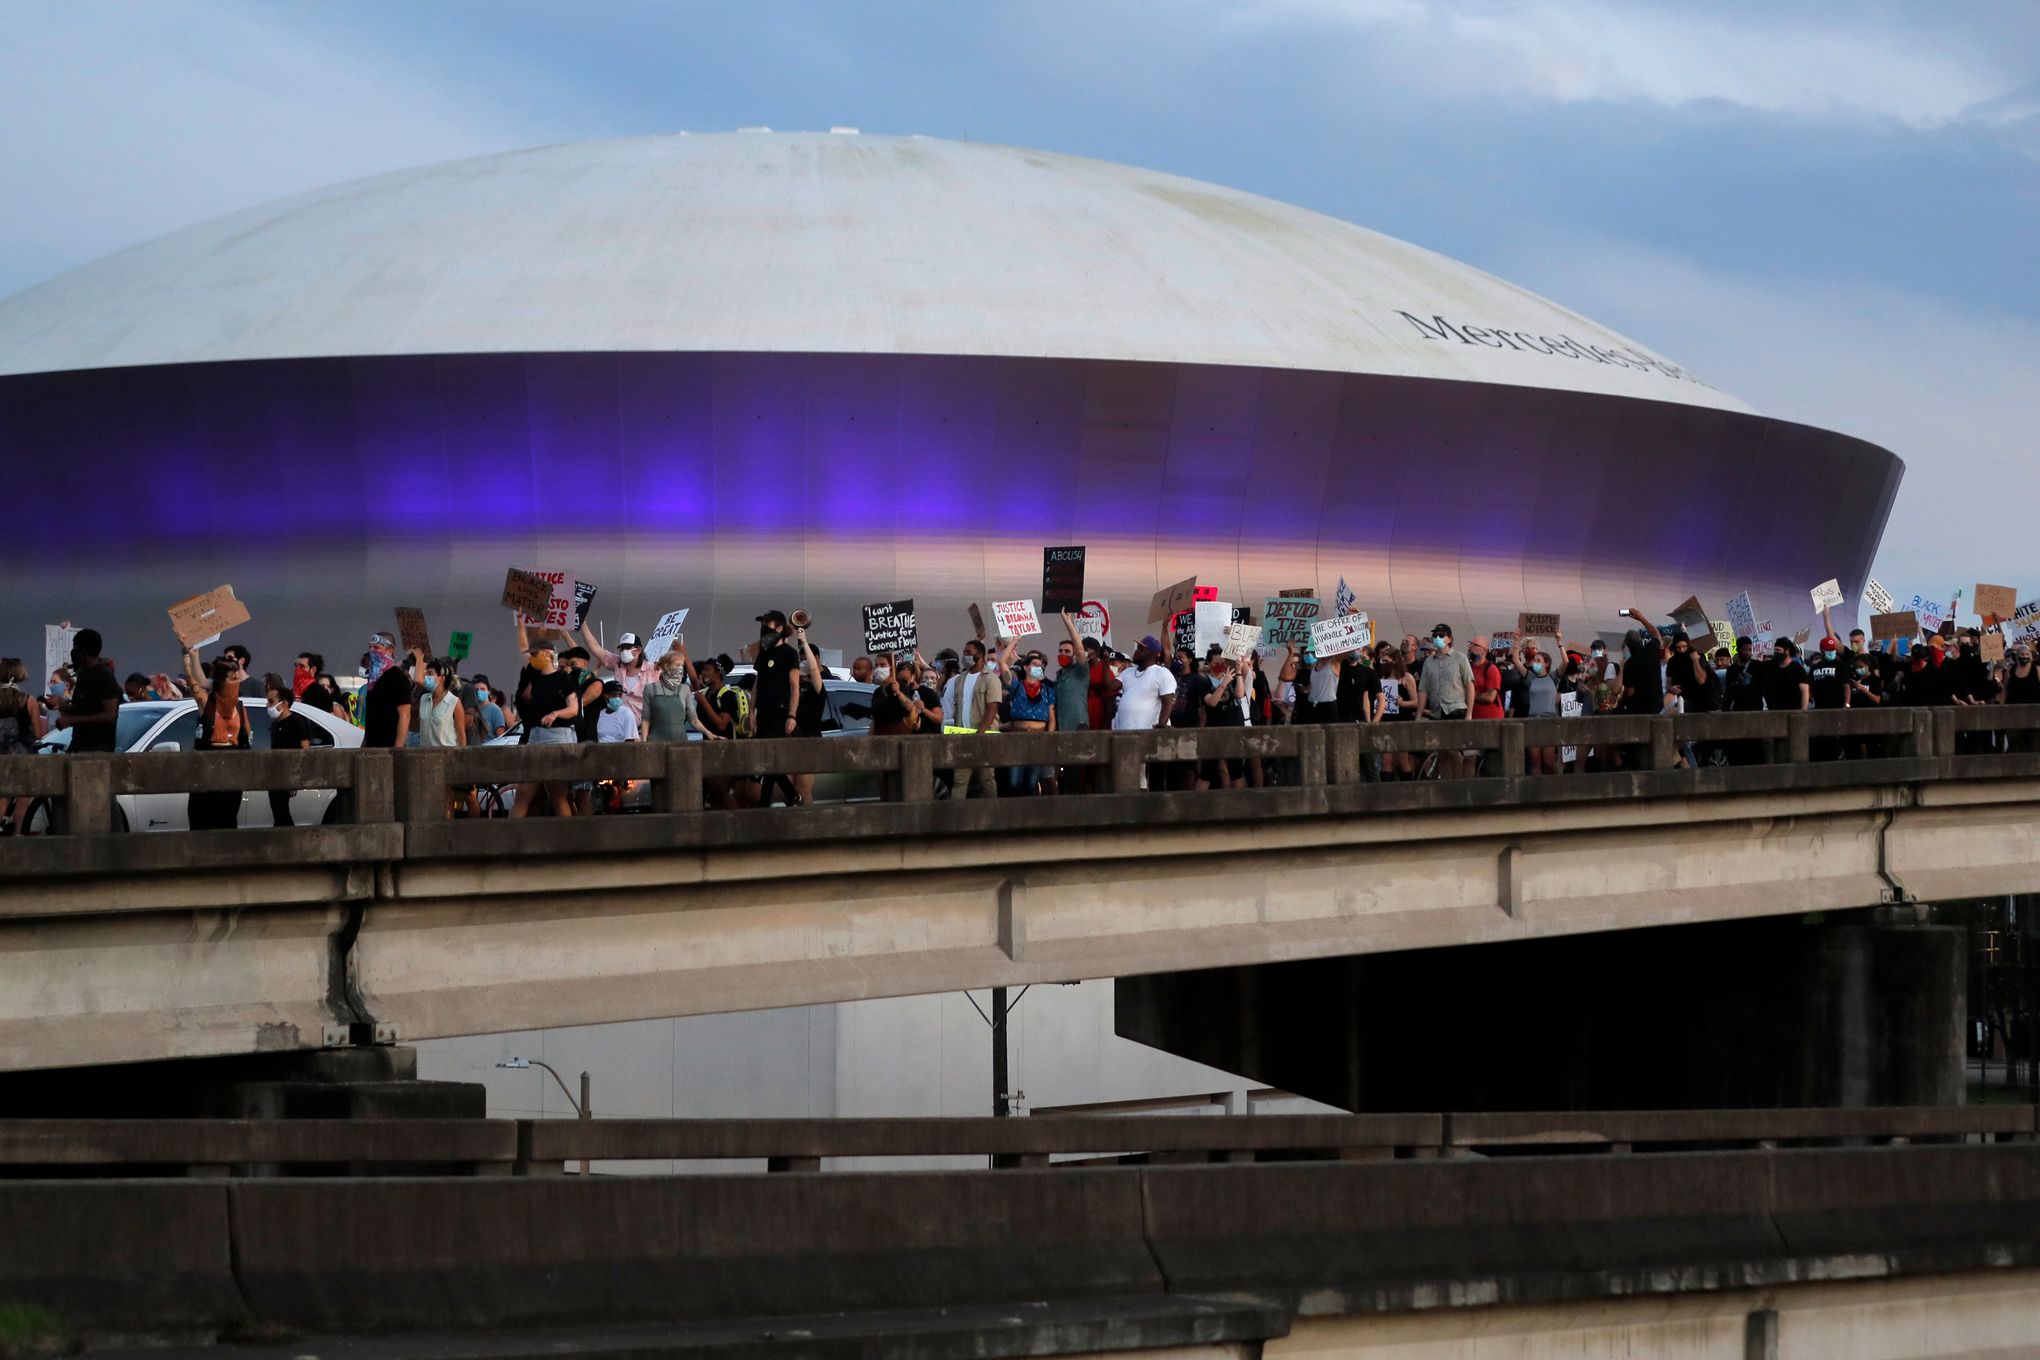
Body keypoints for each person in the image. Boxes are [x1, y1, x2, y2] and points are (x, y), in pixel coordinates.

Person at [514, 637, 580, 819]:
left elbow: (573, 708)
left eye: (535, 654)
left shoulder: (563, 678)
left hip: (558, 736)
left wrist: (555, 714)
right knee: (522, 794)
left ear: (547, 654)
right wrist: (520, 620)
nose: (532, 658)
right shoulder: (534, 676)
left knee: (558, 795)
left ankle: (570, 842)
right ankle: (508, 842)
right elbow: (522, 647)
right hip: (535, 737)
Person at [188, 656, 248, 830]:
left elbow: (246, 736)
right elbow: (196, 682)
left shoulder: (239, 706)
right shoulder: (208, 704)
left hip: (232, 770)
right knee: (204, 820)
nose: (237, 683)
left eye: (238, 679)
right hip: (209, 767)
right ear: (222, 682)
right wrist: (191, 655)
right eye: (233, 679)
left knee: (228, 820)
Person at [49, 629, 122, 753]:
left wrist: (72, 720)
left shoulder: (104, 676)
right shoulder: (83, 674)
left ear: (84, 650)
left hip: (97, 749)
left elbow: (109, 715)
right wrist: (61, 705)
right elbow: (80, 710)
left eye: (76, 647)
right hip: (78, 744)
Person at [1416, 623, 1474, 778]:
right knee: (1441, 751)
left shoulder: (1460, 658)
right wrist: (1418, 715)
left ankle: (1457, 784)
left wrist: (1469, 714)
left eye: (1441, 636)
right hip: (1437, 711)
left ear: (1450, 639)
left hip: (1455, 709)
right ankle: (1445, 785)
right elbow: (1423, 690)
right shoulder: (1429, 662)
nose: (1438, 639)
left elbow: (1469, 686)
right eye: (1435, 636)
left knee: (1453, 749)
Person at [1003, 647, 1057, 795]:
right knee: (1015, 781)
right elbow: (1002, 665)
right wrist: (1015, 641)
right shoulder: (1017, 686)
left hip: (1038, 738)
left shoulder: (1047, 690)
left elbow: (1051, 717)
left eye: (1041, 665)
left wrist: (1049, 737)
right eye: (1035, 664)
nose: (1038, 668)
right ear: (1026, 667)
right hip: (1018, 738)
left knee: (1033, 781)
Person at [263, 672, 314, 827]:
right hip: (275, 775)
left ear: (284, 703)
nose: (268, 706)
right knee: (278, 811)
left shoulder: (297, 721)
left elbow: (305, 749)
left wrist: (297, 777)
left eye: (271, 702)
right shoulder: (275, 724)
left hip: (288, 773)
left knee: (283, 813)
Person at [581, 626, 652, 727]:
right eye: (622, 648)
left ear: (638, 650)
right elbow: (595, 647)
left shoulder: (652, 670)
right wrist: (583, 624)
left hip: (643, 729)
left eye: (627, 648)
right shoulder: (617, 664)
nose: (624, 651)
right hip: (618, 725)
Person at [362, 647, 418, 748]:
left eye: (376, 647)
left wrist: (398, 748)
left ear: (389, 650)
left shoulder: (398, 678)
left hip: (389, 747)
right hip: (372, 748)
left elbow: (405, 715)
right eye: (370, 647)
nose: (372, 650)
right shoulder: (373, 684)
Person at [415, 657, 469, 748]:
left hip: (447, 755)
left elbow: (461, 735)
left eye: (430, 673)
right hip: (425, 754)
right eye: (426, 673)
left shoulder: (454, 702)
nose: (426, 676)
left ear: (442, 678)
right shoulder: (423, 699)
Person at [596, 678, 640, 744]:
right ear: (605, 696)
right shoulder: (599, 715)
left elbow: (630, 741)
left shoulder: (626, 714)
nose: (617, 697)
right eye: (614, 695)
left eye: (619, 695)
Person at [472, 675, 508, 740]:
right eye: (476, 689)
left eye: (482, 689)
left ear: (488, 691)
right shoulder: (471, 708)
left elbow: (500, 736)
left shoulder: (495, 710)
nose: (479, 692)